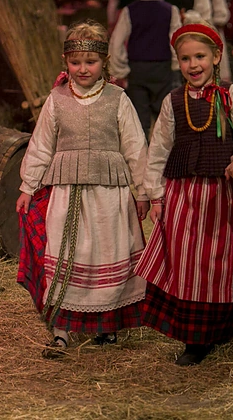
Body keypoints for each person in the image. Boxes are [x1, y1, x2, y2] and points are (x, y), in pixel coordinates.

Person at [16, 21, 150, 358]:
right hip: (66, 194)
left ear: (103, 62)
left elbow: (136, 147)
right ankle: (62, 329)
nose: (82, 69)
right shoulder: (57, 99)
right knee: (68, 253)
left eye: (90, 62)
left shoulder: (118, 99)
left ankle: (105, 324)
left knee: (106, 250)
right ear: (65, 61)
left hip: (109, 197)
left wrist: (145, 190)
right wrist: (27, 185)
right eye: (76, 62)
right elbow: (41, 145)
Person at [135, 22, 233, 366]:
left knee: (214, 264)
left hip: (218, 197)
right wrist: (156, 195)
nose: (193, 65)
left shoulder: (231, 94)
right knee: (185, 263)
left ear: (216, 56)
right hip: (181, 195)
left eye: (200, 57)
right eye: (185, 58)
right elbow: (159, 148)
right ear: (177, 62)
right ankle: (193, 336)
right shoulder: (173, 101)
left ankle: (219, 325)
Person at [109, 0, 182, 135]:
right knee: (166, 121)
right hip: (163, 70)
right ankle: (164, 159)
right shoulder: (170, 10)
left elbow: (116, 43)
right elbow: (177, 41)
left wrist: (122, 70)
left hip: (137, 71)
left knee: (140, 124)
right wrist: (175, 65)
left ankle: (142, 160)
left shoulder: (129, 11)